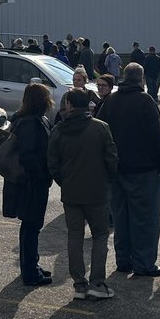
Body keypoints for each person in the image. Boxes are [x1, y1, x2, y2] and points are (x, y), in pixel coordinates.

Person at [48, 89, 119, 299]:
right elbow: (112, 159)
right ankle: (97, 282)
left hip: (71, 192)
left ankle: (79, 283)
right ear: (88, 104)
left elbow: (52, 164)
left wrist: (65, 181)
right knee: (100, 236)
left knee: (74, 236)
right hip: (97, 191)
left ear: (68, 104)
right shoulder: (100, 128)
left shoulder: (59, 130)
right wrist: (108, 181)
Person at [101, 63, 160, 277]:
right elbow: (157, 135)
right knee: (145, 219)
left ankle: (123, 260)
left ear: (123, 77)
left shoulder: (110, 101)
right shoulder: (145, 102)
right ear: (141, 79)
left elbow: (101, 131)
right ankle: (144, 263)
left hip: (117, 170)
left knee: (121, 217)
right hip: (143, 170)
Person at [2, 84, 54, 286]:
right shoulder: (30, 123)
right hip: (31, 183)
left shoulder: (27, 120)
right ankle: (30, 271)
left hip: (31, 182)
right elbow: (27, 154)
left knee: (31, 225)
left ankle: (31, 264)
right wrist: (41, 176)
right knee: (31, 225)